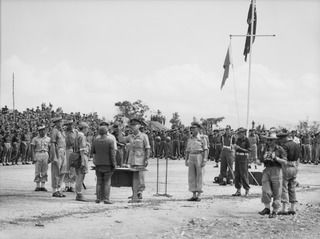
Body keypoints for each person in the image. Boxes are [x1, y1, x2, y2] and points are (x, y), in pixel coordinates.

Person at [119, 118, 150, 203]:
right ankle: (135, 194)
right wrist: (120, 130)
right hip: (132, 160)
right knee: (133, 178)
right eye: (131, 125)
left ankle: (139, 192)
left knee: (140, 178)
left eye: (135, 125)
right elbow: (121, 140)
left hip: (141, 159)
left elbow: (147, 148)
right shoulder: (130, 136)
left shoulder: (144, 136)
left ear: (139, 126)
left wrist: (147, 159)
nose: (133, 127)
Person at [259, 132, 287, 218]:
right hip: (267, 169)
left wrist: (276, 158)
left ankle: (275, 210)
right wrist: (261, 159)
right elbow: (260, 159)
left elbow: (285, 161)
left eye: (271, 140)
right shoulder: (265, 148)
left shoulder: (280, 149)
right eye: (268, 140)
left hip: (276, 170)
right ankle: (267, 208)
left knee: (277, 191)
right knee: (265, 189)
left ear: (275, 141)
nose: (269, 141)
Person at [277, 130, 300, 215]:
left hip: (286, 167)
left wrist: (276, 158)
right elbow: (298, 158)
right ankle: (292, 208)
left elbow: (284, 160)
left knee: (284, 188)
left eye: (280, 139)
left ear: (284, 138)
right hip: (295, 167)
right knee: (292, 188)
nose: (279, 141)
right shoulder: (296, 145)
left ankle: (284, 209)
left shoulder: (284, 146)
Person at [92, 125, 116, 204]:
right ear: (107, 132)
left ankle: (98, 198)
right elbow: (112, 155)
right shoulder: (110, 141)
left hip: (98, 164)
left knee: (99, 182)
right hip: (108, 164)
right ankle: (106, 199)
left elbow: (92, 152)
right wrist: (114, 164)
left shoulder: (95, 141)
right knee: (107, 182)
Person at [185, 122, 208, 201]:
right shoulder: (190, 138)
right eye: (191, 128)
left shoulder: (202, 138)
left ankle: (199, 194)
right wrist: (186, 160)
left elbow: (205, 149)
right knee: (191, 176)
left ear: (198, 129)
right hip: (191, 156)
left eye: (194, 128)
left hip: (199, 156)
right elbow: (187, 150)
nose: (192, 130)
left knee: (199, 175)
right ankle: (194, 194)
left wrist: (205, 159)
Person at [50, 116, 67, 198]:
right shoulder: (54, 131)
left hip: (63, 151)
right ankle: (55, 190)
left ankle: (59, 188)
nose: (61, 123)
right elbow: (53, 144)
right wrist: (54, 156)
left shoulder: (62, 131)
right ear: (56, 123)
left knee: (63, 171)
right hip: (58, 151)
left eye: (61, 121)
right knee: (56, 171)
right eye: (59, 122)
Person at [31, 125, 51, 191]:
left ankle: (43, 185)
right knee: (37, 170)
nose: (42, 131)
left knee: (44, 170)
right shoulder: (35, 139)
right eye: (41, 130)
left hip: (45, 153)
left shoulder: (48, 139)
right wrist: (33, 157)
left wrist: (50, 157)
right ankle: (37, 185)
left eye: (43, 130)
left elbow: (50, 149)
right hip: (38, 153)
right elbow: (32, 149)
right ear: (39, 131)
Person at [232, 128, 250, 197]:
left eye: (240, 133)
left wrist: (239, 148)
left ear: (243, 133)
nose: (238, 134)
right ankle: (238, 190)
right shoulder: (238, 140)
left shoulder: (246, 140)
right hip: (237, 157)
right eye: (238, 133)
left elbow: (249, 150)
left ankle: (247, 190)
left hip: (244, 158)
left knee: (244, 174)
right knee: (237, 174)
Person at [74, 122, 90, 201]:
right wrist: (83, 161)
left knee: (78, 176)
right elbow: (82, 149)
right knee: (81, 176)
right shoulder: (82, 136)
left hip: (76, 157)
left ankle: (78, 192)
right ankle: (79, 193)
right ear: (84, 128)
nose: (87, 130)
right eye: (87, 128)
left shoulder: (76, 135)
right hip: (82, 157)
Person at [64, 118, 77, 192]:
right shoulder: (63, 132)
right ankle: (66, 185)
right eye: (68, 124)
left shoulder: (76, 132)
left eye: (71, 124)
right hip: (65, 150)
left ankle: (71, 185)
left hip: (73, 150)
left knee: (73, 168)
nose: (70, 125)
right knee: (66, 167)